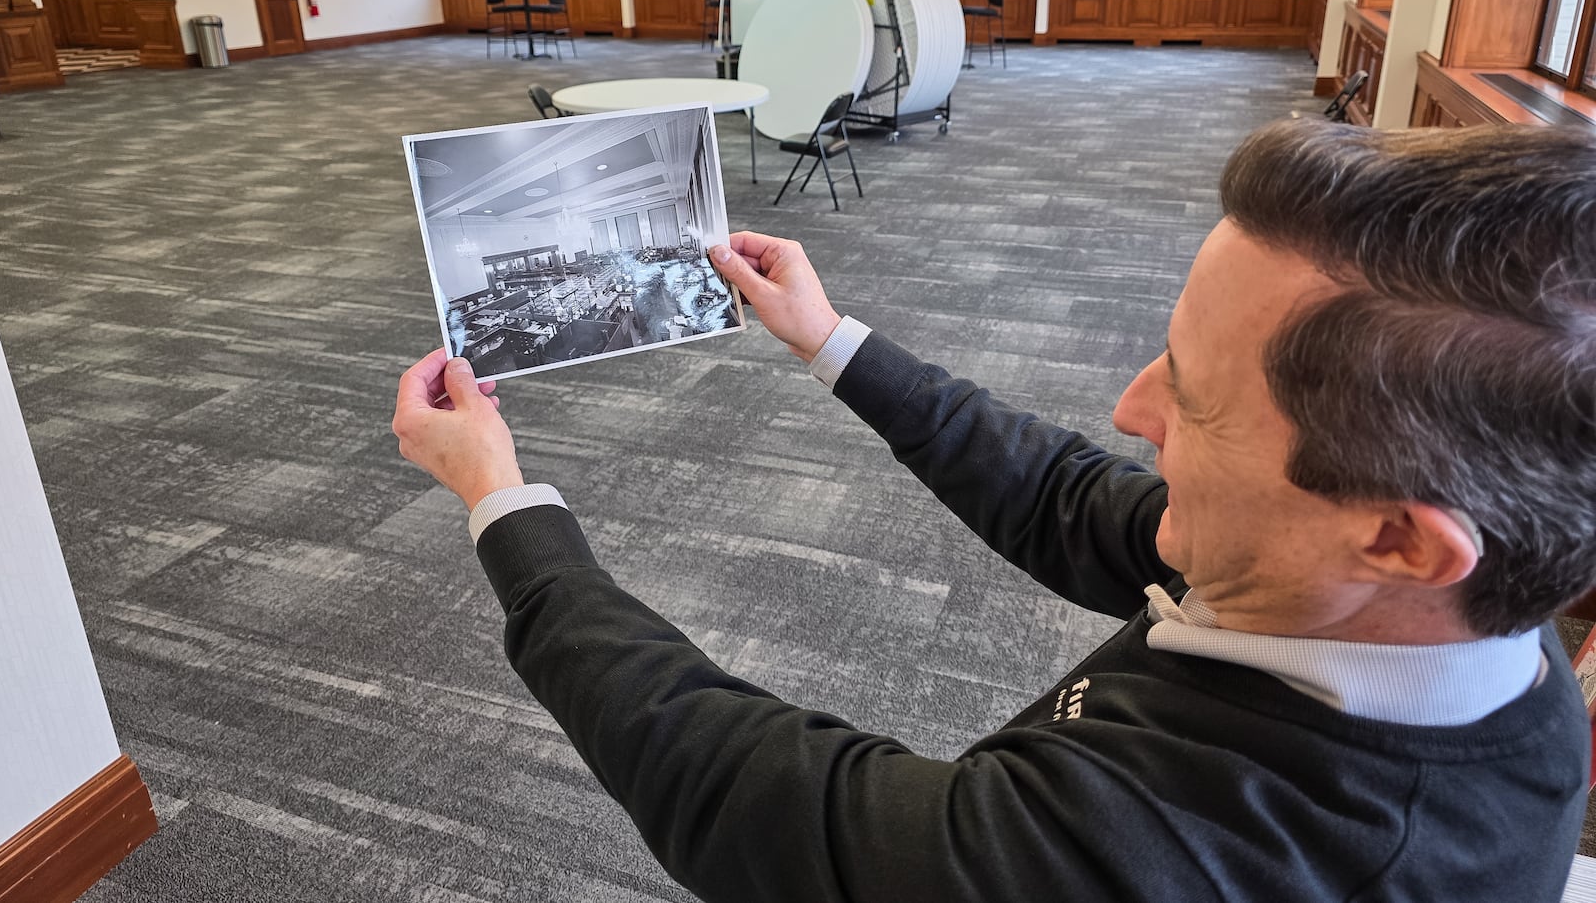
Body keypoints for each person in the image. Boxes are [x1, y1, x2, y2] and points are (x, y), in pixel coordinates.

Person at [391, 119, 1594, 902]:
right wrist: (827, 336)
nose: (1132, 409)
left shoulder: (1157, 856)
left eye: (1192, 397)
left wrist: (502, 499)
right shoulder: (1463, 617)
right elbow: (1069, 501)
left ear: (1400, 538)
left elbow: (757, 800)